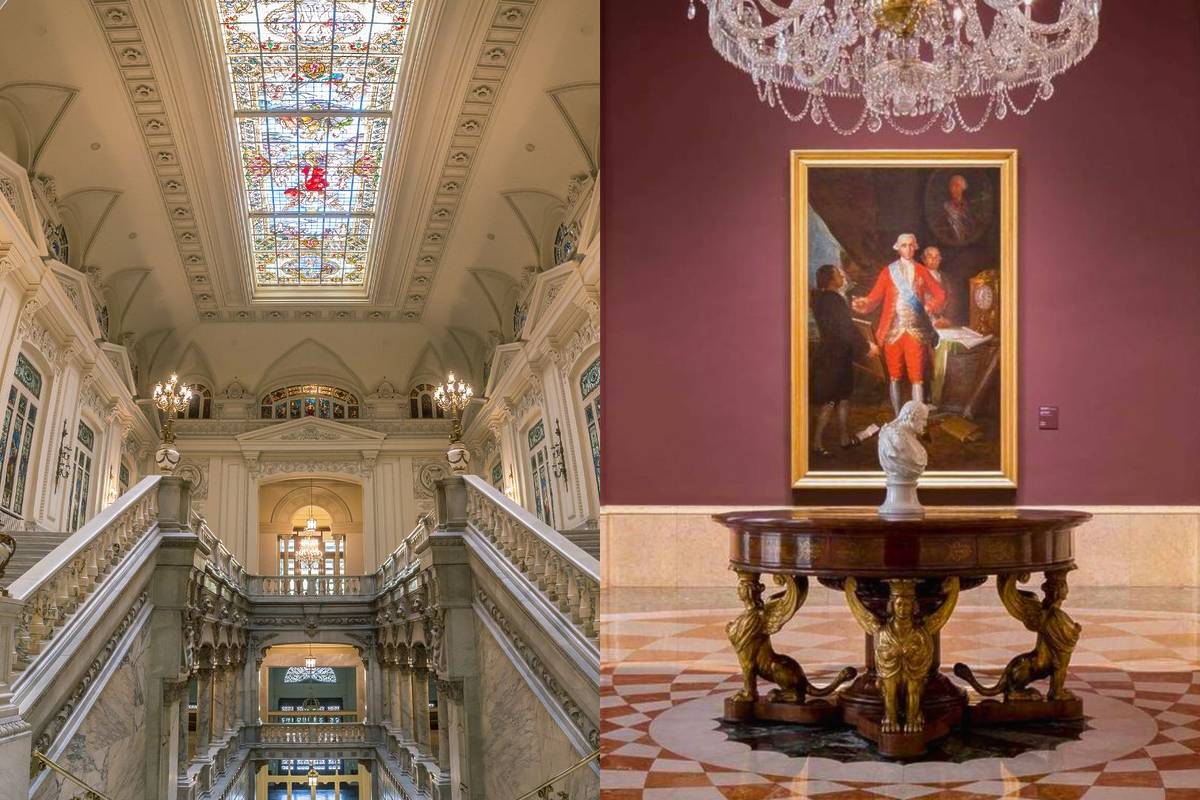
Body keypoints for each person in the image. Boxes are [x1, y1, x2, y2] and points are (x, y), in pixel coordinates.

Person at [852, 234, 946, 416]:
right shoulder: (888, 271)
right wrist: (863, 303)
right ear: (898, 248)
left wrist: (929, 306)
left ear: (916, 247)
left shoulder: (921, 270)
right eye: (904, 246)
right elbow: (874, 298)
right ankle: (897, 418)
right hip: (892, 331)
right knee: (894, 376)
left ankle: (917, 421)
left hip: (915, 332)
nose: (908, 249)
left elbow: (940, 294)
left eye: (911, 245)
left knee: (917, 378)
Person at [811, 265, 878, 456]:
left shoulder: (821, 299)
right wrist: (867, 347)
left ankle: (844, 438)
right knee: (832, 401)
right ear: (831, 279)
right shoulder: (834, 300)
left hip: (830, 355)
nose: (843, 277)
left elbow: (842, 326)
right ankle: (817, 444)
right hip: (836, 358)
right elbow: (847, 328)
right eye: (839, 274)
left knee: (842, 399)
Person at [921, 246, 953, 328]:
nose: (934, 259)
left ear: (940, 259)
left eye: (937, 257)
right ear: (924, 259)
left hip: (941, 320)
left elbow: (949, 298)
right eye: (930, 256)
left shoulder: (943, 277)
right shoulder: (919, 275)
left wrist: (946, 318)